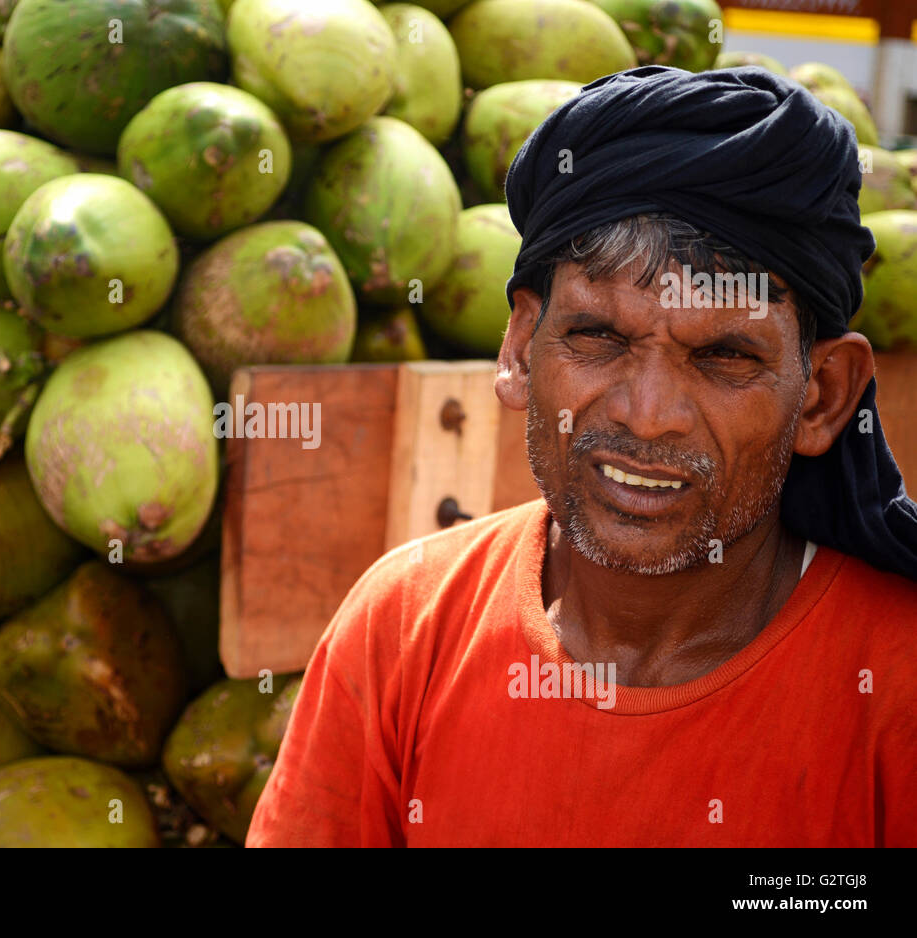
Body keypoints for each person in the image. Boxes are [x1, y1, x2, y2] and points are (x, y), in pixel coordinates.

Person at [246, 66, 917, 847]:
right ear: (522, 350)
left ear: (822, 396)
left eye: (725, 356)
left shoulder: (895, 681)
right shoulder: (402, 629)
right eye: (599, 337)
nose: (649, 415)